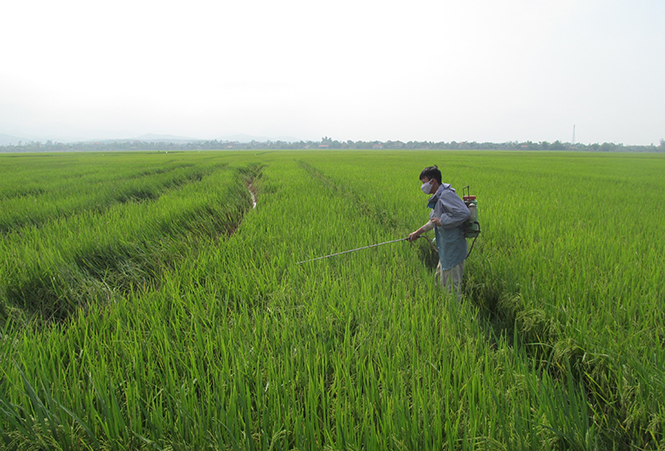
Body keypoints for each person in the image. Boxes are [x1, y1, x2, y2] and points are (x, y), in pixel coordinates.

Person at [408, 165, 470, 301]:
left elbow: (464, 213)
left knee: (452, 289)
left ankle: (455, 317)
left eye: (424, 182)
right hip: (445, 249)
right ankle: (443, 311)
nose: (423, 186)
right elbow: (433, 221)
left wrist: (442, 221)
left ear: (433, 181)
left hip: (453, 249)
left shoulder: (447, 194)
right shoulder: (438, 196)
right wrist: (416, 233)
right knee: (439, 282)